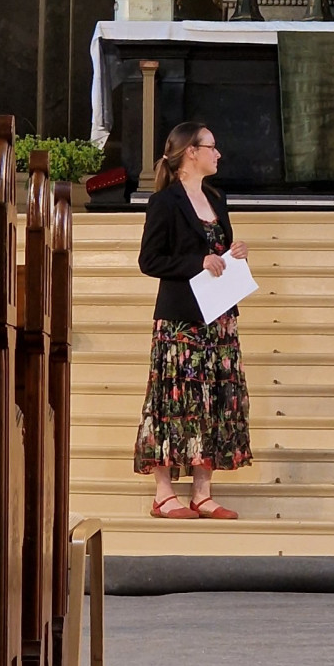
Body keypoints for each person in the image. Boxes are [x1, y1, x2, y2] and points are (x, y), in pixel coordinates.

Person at [134, 122, 252, 517]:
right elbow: (150, 260)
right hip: (180, 320)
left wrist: (233, 253)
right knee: (173, 401)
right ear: (191, 152)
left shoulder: (217, 198)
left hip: (218, 318)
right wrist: (197, 262)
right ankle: (163, 493)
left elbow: (217, 252)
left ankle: (202, 492)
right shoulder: (165, 202)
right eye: (211, 147)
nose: (218, 154)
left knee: (213, 401)